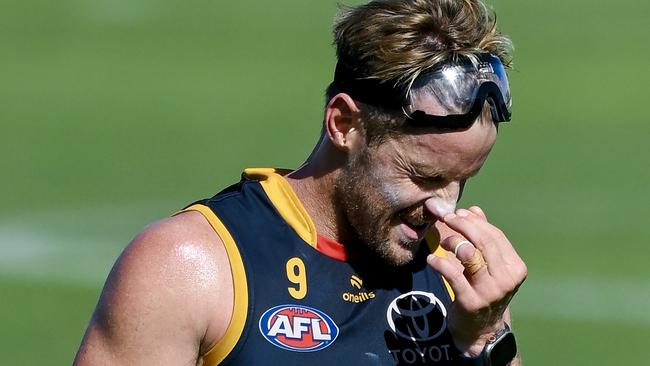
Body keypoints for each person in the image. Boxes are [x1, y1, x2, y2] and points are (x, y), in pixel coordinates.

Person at [74, 0, 527, 365]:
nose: (444, 208)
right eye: (425, 176)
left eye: (462, 180)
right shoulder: (192, 266)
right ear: (345, 123)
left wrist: (486, 339)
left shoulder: (460, 277)